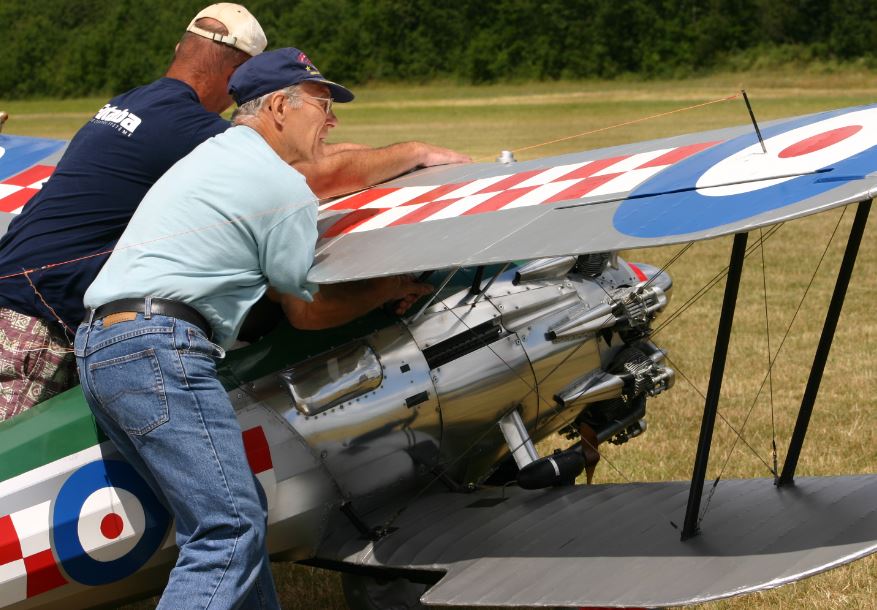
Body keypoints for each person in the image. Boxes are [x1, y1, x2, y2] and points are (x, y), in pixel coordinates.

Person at [75, 47, 441, 609]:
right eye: (322, 104)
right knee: (229, 530)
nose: (333, 120)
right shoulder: (279, 187)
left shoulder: (216, 154)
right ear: (277, 106)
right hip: (161, 348)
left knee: (236, 516)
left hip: (102, 346)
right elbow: (308, 311)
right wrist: (387, 288)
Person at [0, 4, 468, 419]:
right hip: (34, 323)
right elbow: (313, 173)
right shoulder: (190, 130)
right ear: (237, 75)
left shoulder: (131, 103)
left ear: (181, 49)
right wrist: (414, 152)